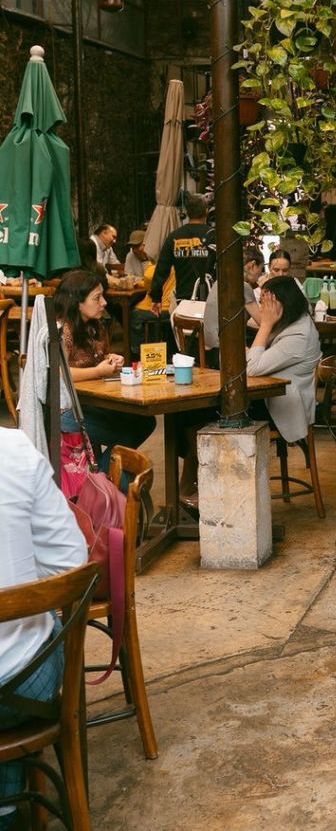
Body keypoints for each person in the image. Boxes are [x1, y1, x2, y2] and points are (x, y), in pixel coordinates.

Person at [0, 428, 87, 831]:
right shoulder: (14, 449)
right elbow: (70, 563)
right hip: (20, 686)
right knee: (36, 629)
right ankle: (9, 807)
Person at [55, 270, 156, 471]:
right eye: (97, 298)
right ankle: (104, 476)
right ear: (77, 302)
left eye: (103, 296)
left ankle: (101, 475)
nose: (104, 303)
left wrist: (110, 359)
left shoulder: (96, 326)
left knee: (145, 421)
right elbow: (60, 373)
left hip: (94, 402)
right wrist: (99, 371)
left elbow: (98, 360)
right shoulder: (62, 330)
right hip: (67, 410)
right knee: (127, 435)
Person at [246, 276, 320, 446]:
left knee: (210, 414)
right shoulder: (294, 323)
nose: (262, 308)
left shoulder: (298, 335)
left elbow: (252, 368)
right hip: (270, 399)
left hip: (283, 411)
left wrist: (265, 325)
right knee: (197, 416)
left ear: (281, 303)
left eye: (265, 303)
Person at [149, 194, 214, 313]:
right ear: (206, 211)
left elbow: (161, 270)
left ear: (188, 212)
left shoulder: (174, 237)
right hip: (211, 300)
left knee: (184, 330)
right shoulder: (213, 235)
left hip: (183, 300)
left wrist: (156, 297)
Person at [204, 248, 264, 368]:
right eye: (261, 269)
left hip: (209, 351)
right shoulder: (242, 286)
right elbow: (262, 322)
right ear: (252, 265)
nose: (260, 275)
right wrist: (265, 288)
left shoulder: (220, 281)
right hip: (225, 353)